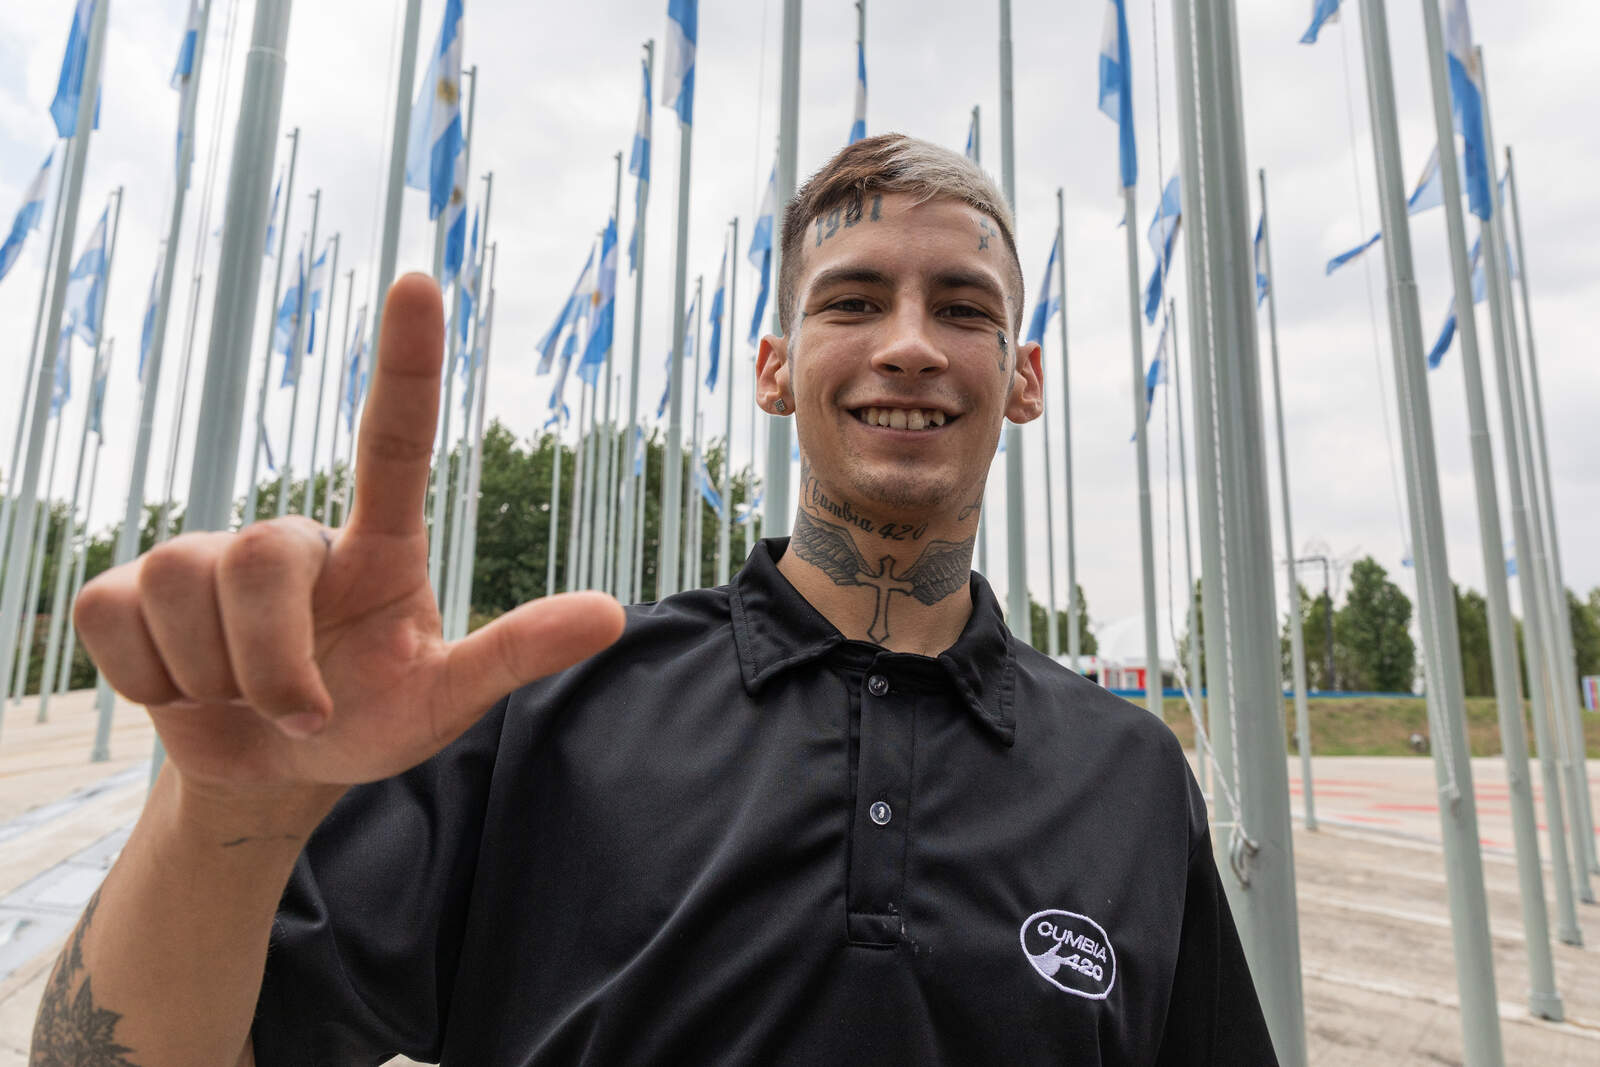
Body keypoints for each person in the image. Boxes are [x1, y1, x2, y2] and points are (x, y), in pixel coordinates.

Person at [33, 134, 1275, 1066]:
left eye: (963, 307)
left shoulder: (1129, 775)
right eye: (852, 300)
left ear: (1023, 377)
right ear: (774, 368)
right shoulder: (549, 709)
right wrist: (223, 818)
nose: (910, 343)